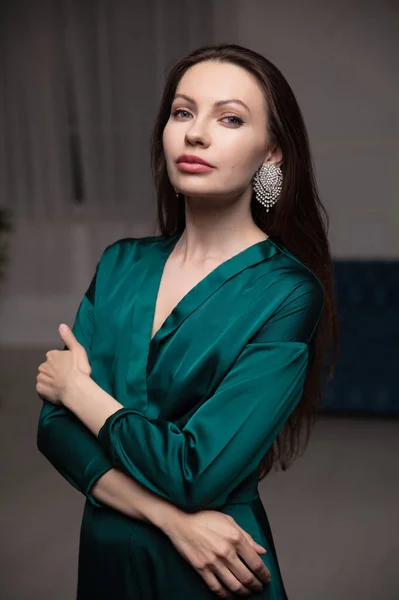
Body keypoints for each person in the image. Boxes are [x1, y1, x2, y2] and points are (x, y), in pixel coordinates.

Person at [36, 43, 337, 599]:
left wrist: (79, 391)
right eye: (182, 112)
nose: (196, 133)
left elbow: (195, 474)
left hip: (214, 571)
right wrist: (172, 520)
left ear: (272, 155)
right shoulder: (121, 263)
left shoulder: (287, 293)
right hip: (115, 555)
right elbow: (53, 432)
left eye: (229, 118)